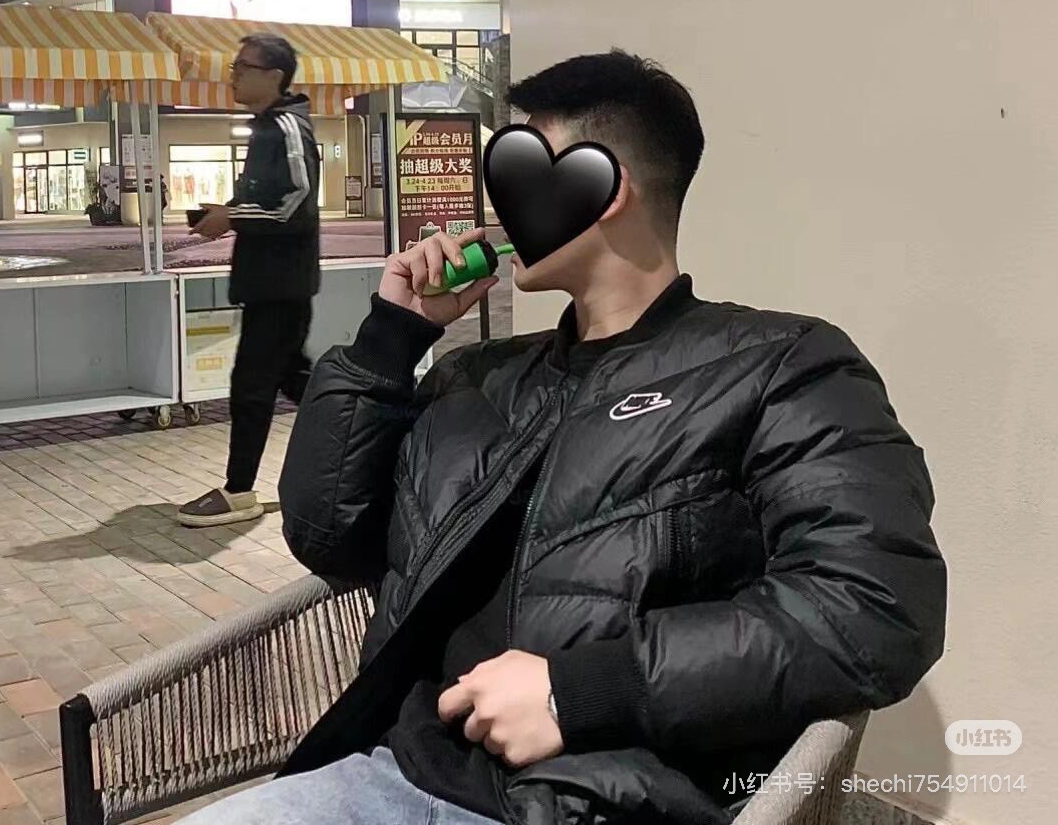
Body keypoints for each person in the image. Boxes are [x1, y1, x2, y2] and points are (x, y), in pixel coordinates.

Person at [178, 51, 947, 823]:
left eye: (524, 174)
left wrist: (578, 692)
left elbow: (874, 604)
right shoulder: (477, 375)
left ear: (604, 190)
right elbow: (328, 538)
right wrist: (389, 338)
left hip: (604, 798)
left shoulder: (781, 365)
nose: (500, 204)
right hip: (403, 773)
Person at [180, 34, 319, 527]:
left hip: (281, 284)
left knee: (252, 388)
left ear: (274, 76)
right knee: (297, 381)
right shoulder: (268, 127)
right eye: (234, 67)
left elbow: (297, 204)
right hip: (271, 283)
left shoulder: (286, 127)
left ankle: (239, 491)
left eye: (243, 67)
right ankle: (383, 442)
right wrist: (226, 213)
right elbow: (273, 201)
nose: (234, 75)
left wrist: (232, 216)